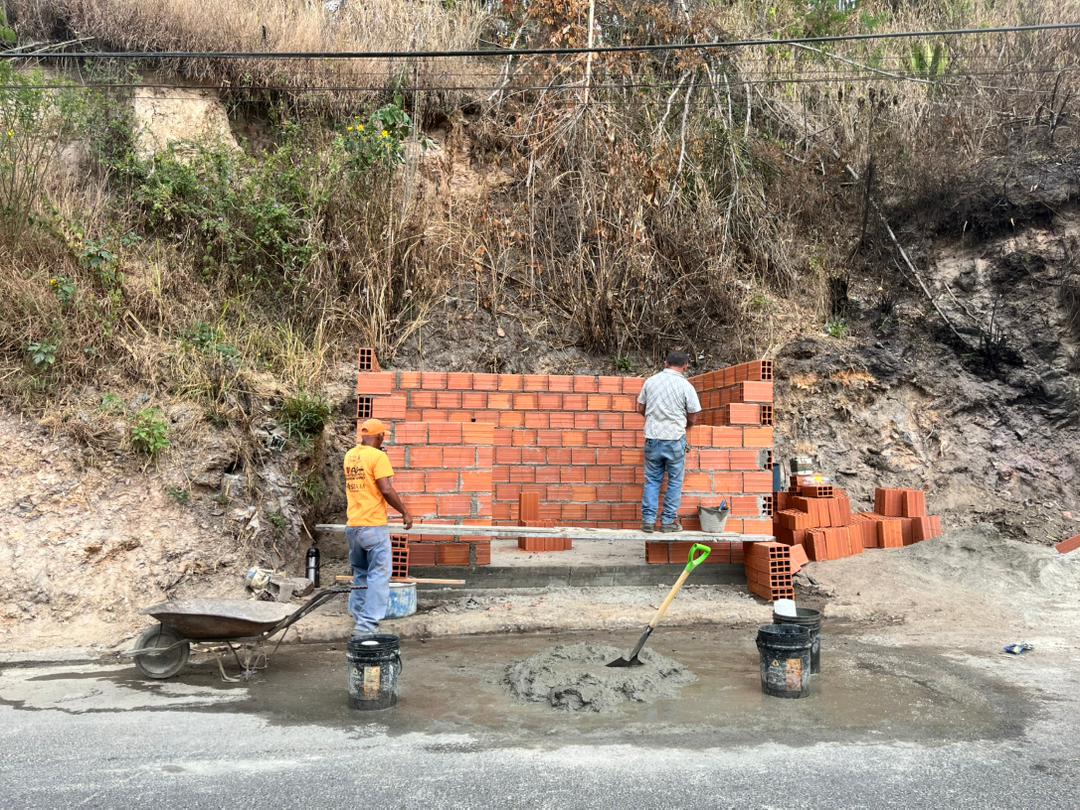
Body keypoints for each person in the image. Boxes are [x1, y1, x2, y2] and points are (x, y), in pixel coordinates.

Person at [343, 418, 413, 639]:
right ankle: (366, 627)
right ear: (381, 436)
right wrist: (404, 511)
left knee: (361, 573)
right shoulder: (379, 457)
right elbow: (385, 488)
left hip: (353, 526)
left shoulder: (350, 455)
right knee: (379, 576)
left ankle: (358, 616)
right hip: (373, 526)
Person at [636, 351, 702, 533]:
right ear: (685, 366)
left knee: (652, 481)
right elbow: (694, 414)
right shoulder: (686, 386)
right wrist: (686, 423)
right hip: (674, 440)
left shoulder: (651, 382)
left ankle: (648, 521)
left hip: (653, 438)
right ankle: (667, 523)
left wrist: (653, 418)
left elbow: (640, 407)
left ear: (665, 363)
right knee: (674, 482)